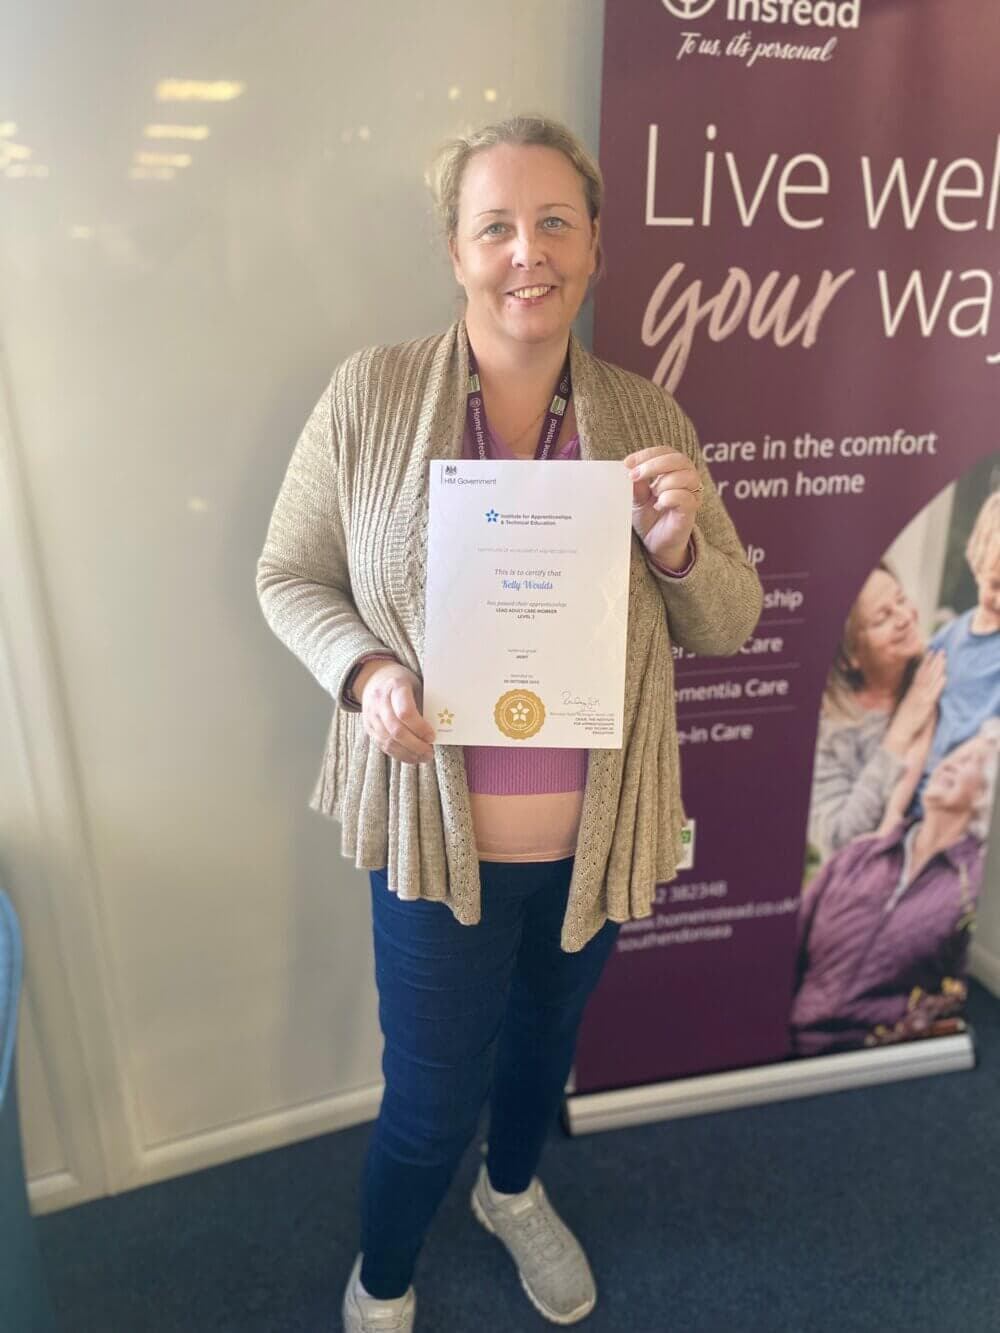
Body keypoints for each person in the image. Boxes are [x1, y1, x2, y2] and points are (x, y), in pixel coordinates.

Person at [256, 115, 761, 1332]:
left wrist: (680, 547)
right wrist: (368, 669)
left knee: (540, 1059)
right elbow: (290, 575)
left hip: (595, 841)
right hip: (437, 841)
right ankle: (382, 1273)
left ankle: (514, 1189)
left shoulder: (647, 415)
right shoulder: (369, 394)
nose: (526, 251)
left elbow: (728, 621)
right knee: (428, 1098)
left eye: (554, 223)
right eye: (497, 226)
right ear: (455, 249)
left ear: (593, 245)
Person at [791, 722, 1000, 1057]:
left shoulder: (973, 883)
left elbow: (962, 992)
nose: (954, 763)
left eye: (974, 762)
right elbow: (790, 947)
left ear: (987, 795)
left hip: (888, 1061)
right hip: (795, 1048)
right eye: (956, 756)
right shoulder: (858, 857)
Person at [807, 564, 945, 861]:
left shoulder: (941, 671)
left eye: (901, 599)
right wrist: (899, 735)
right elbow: (840, 839)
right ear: (850, 657)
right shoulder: (828, 731)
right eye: (883, 617)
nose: (905, 618)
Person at [913, 491, 1000, 804]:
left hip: (979, 798)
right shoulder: (947, 638)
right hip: (927, 788)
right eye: (996, 585)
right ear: (977, 561)